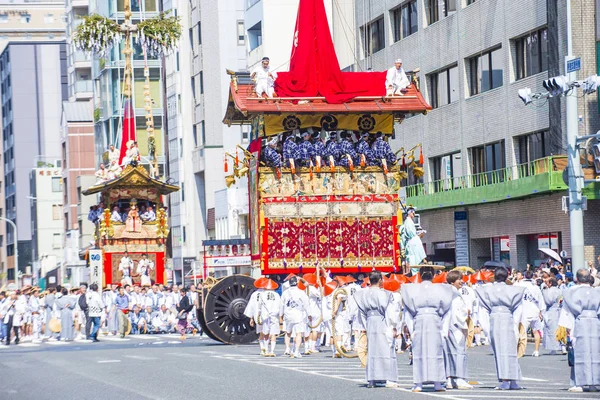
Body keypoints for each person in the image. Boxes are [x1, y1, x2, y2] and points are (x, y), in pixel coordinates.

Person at [402, 266, 455, 392]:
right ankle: (436, 383)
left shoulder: (411, 289)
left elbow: (407, 313)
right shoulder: (441, 289)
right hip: (434, 320)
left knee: (422, 352)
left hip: (421, 320)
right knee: (435, 351)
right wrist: (444, 328)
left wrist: (411, 329)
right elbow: (448, 311)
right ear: (433, 275)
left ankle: (420, 383)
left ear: (420, 275)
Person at [475, 267, 525, 390]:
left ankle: (505, 380)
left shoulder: (486, 290)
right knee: (511, 351)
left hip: (495, 319)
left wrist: (486, 329)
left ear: (494, 276)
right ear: (507, 276)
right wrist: (515, 324)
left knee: (500, 351)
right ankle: (513, 380)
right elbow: (519, 309)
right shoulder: (514, 290)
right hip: (509, 318)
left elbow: (482, 310)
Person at [558, 268, 600, 392]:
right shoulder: (597, 292)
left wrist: (567, 329)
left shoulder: (570, 292)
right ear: (589, 278)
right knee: (595, 352)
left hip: (579, 322)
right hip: (595, 322)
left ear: (577, 279)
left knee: (580, 352)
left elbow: (567, 312)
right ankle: (594, 383)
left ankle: (579, 383)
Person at [354, 271, 397, 389]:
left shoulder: (362, 294)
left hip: (370, 321)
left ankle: (372, 379)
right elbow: (389, 312)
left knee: (372, 350)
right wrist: (393, 325)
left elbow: (361, 313)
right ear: (380, 280)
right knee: (386, 348)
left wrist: (364, 326)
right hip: (382, 321)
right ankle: (389, 378)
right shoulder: (385, 294)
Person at [444, 270, 473, 390]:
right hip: (456, 325)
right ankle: (459, 379)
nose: (462, 281)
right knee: (459, 351)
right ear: (452, 281)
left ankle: (449, 379)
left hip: (448, 325)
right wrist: (466, 312)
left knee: (449, 352)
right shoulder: (454, 294)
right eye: (459, 279)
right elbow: (457, 311)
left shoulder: (446, 292)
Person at [514, 270, 545, 357]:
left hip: (524, 311)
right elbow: (541, 300)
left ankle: (522, 350)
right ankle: (536, 350)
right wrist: (541, 311)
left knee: (522, 332)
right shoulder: (536, 287)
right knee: (536, 332)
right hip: (535, 311)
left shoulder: (519, 286)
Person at [280, 276, 309, 358]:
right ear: (297, 283)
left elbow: (281, 305)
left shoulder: (285, 293)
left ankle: (287, 349)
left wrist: (280, 315)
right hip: (298, 315)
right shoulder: (301, 292)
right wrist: (309, 314)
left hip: (288, 315)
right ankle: (296, 351)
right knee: (298, 333)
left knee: (288, 333)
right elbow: (306, 304)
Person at [400, 206, 427, 274]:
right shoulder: (408, 222)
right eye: (413, 213)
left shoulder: (408, 222)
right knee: (414, 263)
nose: (414, 214)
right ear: (410, 213)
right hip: (412, 244)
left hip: (411, 243)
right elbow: (410, 234)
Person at [541, 277, 562, 354]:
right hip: (559, 310)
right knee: (560, 329)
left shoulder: (550, 291)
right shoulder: (559, 290)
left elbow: (548, 301)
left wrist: (544, 291)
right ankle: (562, 346)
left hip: (552, 311)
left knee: (552, 330)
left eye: (547, 282)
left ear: (550, 283)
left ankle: (554, 347)